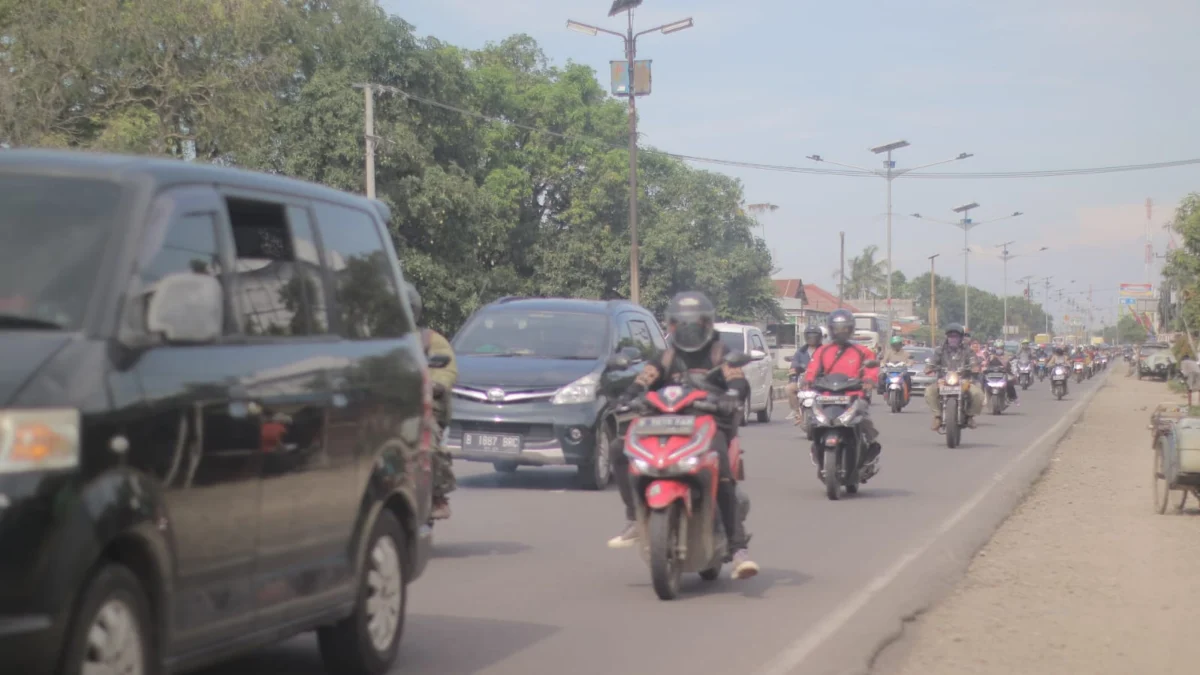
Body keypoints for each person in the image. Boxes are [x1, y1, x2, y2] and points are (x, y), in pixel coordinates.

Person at [606, 292, 759, 580]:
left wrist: (732, 395)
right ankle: (633, 519)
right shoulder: (666, 355)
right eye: (681, 324)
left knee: (721, 468)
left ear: (707, 323)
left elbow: (737, 378)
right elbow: (645, 379)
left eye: (695, 323)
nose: (688, 329)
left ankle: (738, 550)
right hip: (665, 421)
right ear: (672, 326)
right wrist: (626, 397)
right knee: (618, 448)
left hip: (710, 422)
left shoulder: (719, 351)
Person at [405, 283, 458, 520]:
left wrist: (435, 384)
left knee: (431, 447)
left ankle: (437, 495)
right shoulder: (371, 340)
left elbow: (446, 371)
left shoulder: (430, 340)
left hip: (423, 410)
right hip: (381, 410)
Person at [803, 309, 882, 465]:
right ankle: (816, 446)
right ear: (831, 330)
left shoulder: (862, 351)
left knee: (864, 419)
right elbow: (812, 369)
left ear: (850, 329)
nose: (840, 332)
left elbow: (871, 369)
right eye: (837, 329)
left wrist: (868, 380)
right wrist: (808, 380)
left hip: (854, 394)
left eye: (844, 328)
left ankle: (870, 446)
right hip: (826, 395)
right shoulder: (822, 350)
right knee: (812, 420)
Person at [925, 323, 984, 430]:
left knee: (977, 393)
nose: (953, 339)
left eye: (955, 336)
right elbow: (933, 362)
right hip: (943, 380)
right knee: (929, 391)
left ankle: (970, 416)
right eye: (950, 336)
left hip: (964, 380)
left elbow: (973, 361)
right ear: (947, 337)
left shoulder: (967, 350)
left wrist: (975, 367)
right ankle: (937, 416)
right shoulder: (940, 350)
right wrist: (929, 367)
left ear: (960, 338)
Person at [787, 325, 823, 421]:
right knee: (789, 389)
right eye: (809, 336)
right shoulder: (800, 352)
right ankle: (797, 412)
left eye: (814, 336)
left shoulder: (825, 350)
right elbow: (794, 366)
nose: (812, 339)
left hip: (821, 380)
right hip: (803, 380)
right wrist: (794, 375)